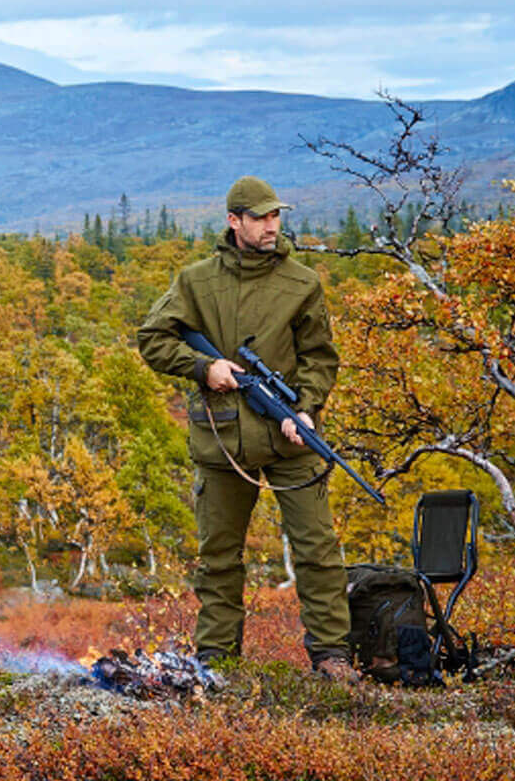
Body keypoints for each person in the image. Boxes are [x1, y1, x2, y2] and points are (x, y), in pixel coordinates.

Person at [137, 176, 358, 683]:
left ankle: (332, 657)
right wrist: (203, 368)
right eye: (259, 217)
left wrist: (305, 409)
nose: (270, 225)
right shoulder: (196, 282)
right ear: (233, 221)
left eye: (275, 215)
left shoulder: (302, 282)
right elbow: (152, 338)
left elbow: (321, 359)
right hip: (222, 439)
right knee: (218, 557)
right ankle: (217, 661)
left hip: (292, 437)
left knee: (318, 551)